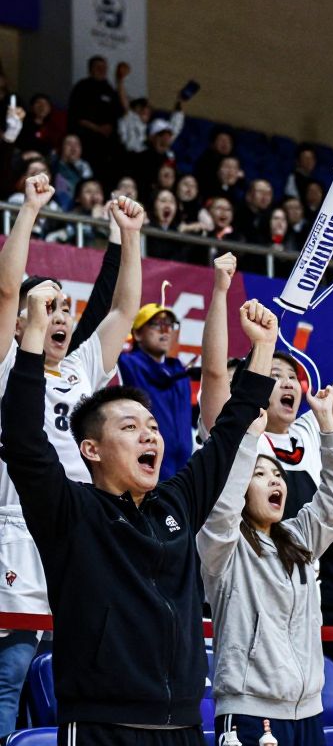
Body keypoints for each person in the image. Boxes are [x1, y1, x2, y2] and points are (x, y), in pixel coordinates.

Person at [0, 290, 277, 744]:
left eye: (152, 427)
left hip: (185, 726)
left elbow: (228, 436)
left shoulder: (177, 503)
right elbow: (23, 440)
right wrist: (32, 332)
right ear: (90, 449)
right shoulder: (69, 510)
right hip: (101, 726)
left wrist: (262, 350)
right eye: (129, 427)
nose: (149, 434)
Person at [0, 183, 141, 737]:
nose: (59, 315)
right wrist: (30, 209)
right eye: (47, 306)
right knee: (11, 672)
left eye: (64, 307)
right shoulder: (11, 358)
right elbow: (9, 286)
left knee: (74, 669)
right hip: (16, 527)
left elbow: (124, 307)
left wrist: (130, 238)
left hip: (79, 527)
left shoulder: (84, 364)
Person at [199, 269, 333, 649]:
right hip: (245, 581)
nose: (288, 382)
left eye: (292, 376)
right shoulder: (236, 433)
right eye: (274, 375)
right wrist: (221, 291)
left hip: (307, 588)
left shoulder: (309, 431)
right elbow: (212, 373)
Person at [199, 385, 333, 746]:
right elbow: (222, 506)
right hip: (250, 712)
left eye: (278, 475)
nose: (274, 480)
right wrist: (249, 442)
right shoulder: (221, 543)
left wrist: (328, 425)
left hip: (308, 711)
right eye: (260, 474)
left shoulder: (299, 539)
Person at [118, 301, 193, 480]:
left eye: (169, 325)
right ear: (137, 333)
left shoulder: (180, 371)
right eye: (156, 324)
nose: (165, 331)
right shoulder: (127, 364)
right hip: (147, 468)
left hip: (183, 473)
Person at [66, 56, 123, 180]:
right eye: (98, 67)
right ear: (90, 69)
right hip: (88, 141)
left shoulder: (109, 89)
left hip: (108, 144)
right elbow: (76, 116)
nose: (102, 70)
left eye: (104, 68)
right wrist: (97, 128)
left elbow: (120, 112)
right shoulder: (82, 87)